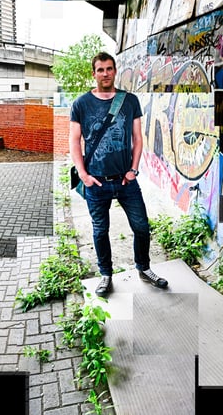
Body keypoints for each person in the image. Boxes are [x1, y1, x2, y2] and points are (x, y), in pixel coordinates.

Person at [69, 51, 168, 297]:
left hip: (126, 181)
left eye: (109, 68)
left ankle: (144, 268)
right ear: (93, 74)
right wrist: (83, 174)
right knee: (100, 231)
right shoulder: (80, 104)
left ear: (115, 71)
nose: (105, 73)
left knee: (142, 227)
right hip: (96, 182)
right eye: (100, 69)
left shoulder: (129, 100)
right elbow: (74, 141)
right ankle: (105, 275)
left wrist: (134, 170)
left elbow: (137, 138)